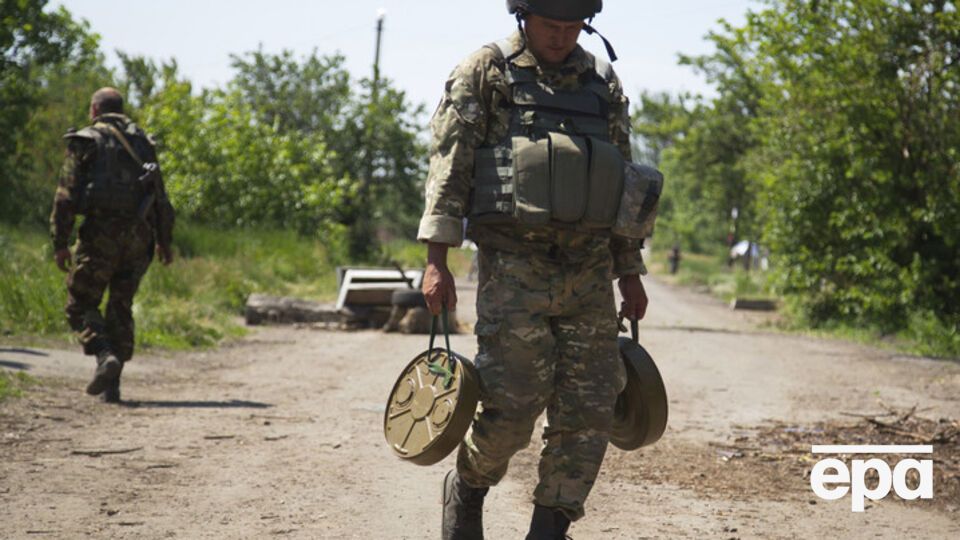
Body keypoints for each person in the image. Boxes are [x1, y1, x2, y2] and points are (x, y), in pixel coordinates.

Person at [417, 2, 649, 538]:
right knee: (510, 411)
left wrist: (629, 271)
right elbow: (450, 168)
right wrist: (436, 261)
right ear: (525, 17)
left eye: (573, 28)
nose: (561, 37)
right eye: (551, 26)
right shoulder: (487, 72)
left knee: (589, 413)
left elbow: (624, 185)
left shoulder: (601, 84)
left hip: (589, 270)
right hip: (513, 269)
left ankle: (550, 529)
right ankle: (468, 488)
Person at [50, 87, 175, 404]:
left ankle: (105, 355)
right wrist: (163, 241)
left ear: (94, 110)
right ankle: (113, 385)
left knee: (79, 302)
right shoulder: (144, 142)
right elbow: (160, 197)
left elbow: (65, 196)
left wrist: (60, 243)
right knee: (121, 305)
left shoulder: (86, 140)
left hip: (100, 236)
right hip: (139, 237)